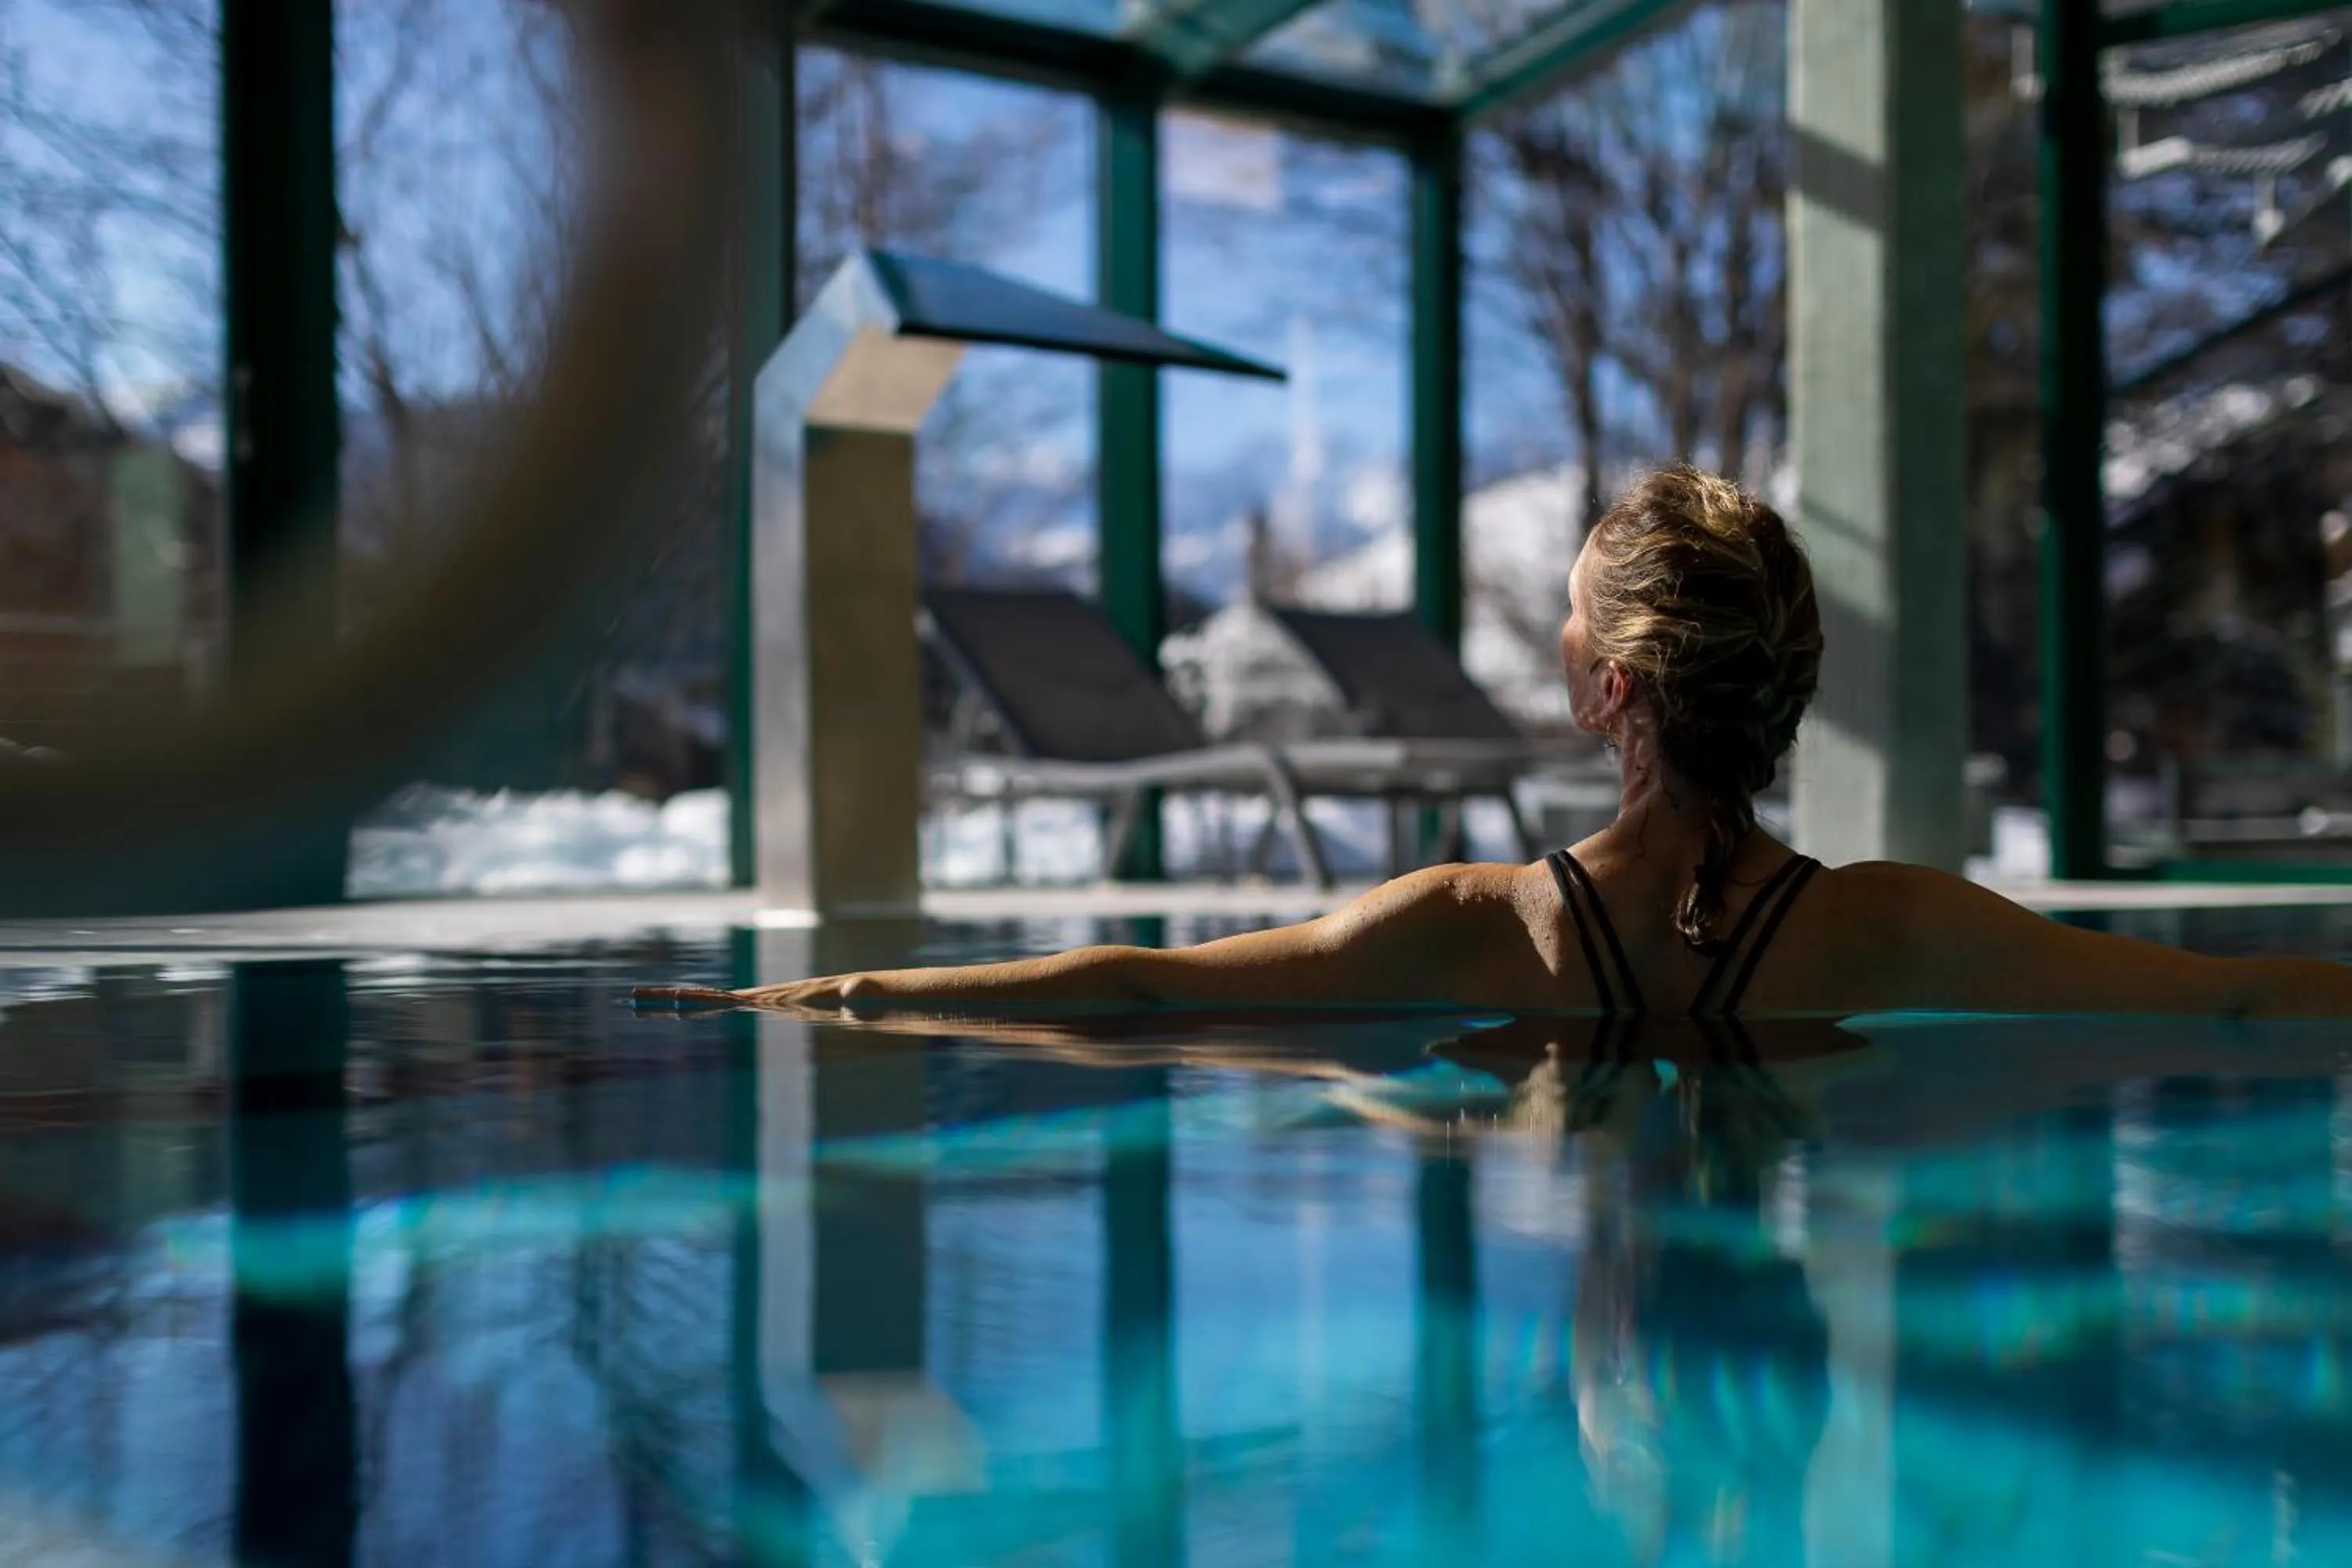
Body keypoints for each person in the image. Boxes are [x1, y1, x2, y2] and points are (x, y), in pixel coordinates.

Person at [642, 466, 2352, 1019]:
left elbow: (1143, 988)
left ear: (1604, 683)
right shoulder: (1893, 923)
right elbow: (2232, 995)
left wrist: (846, 993)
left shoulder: (1479, 924)